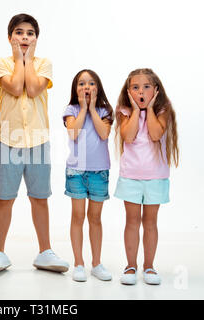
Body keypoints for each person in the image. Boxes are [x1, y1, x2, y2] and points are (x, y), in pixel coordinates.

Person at [0, 13, 69, 275]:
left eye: (30, 33)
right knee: (4, 198)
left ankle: (45, 251)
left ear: (36, 38)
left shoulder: (44, 64)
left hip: (38, 141)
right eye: (19, 32)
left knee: (39, 198)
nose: (24, 37)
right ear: (10, 37)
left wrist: (29, 59)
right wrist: (19, 59)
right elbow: (15, 86)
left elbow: (32, 89)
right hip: (8, 140)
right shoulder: (1, 64)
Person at [114, 68, 179, 285]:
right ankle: (130, 265)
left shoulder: (163, 111)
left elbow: (155, 134)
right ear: (128, 92)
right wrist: (135, 109)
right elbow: (129, 136)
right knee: (131, 221)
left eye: (146, 87)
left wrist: (150, 108)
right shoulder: (124, 111)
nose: (140, 91)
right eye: (135, 87)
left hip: (155, 177)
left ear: (156, 91)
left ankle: (149, 266)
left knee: (150, 222)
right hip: (131, 176)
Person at [63, 70, 114, 282]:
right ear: (76, 89)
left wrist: (92, 108)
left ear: (97, 88)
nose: (86, 86)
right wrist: (83, 108)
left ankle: (96, 263)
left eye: (91, 83)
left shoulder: (104, 110)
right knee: (77, 216)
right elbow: (74, 133)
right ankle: (78, 263)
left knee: (95, 218)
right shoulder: (71, 109)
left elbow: (104, 133)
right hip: (76, 171)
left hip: (99, 172)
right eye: (82, 83)